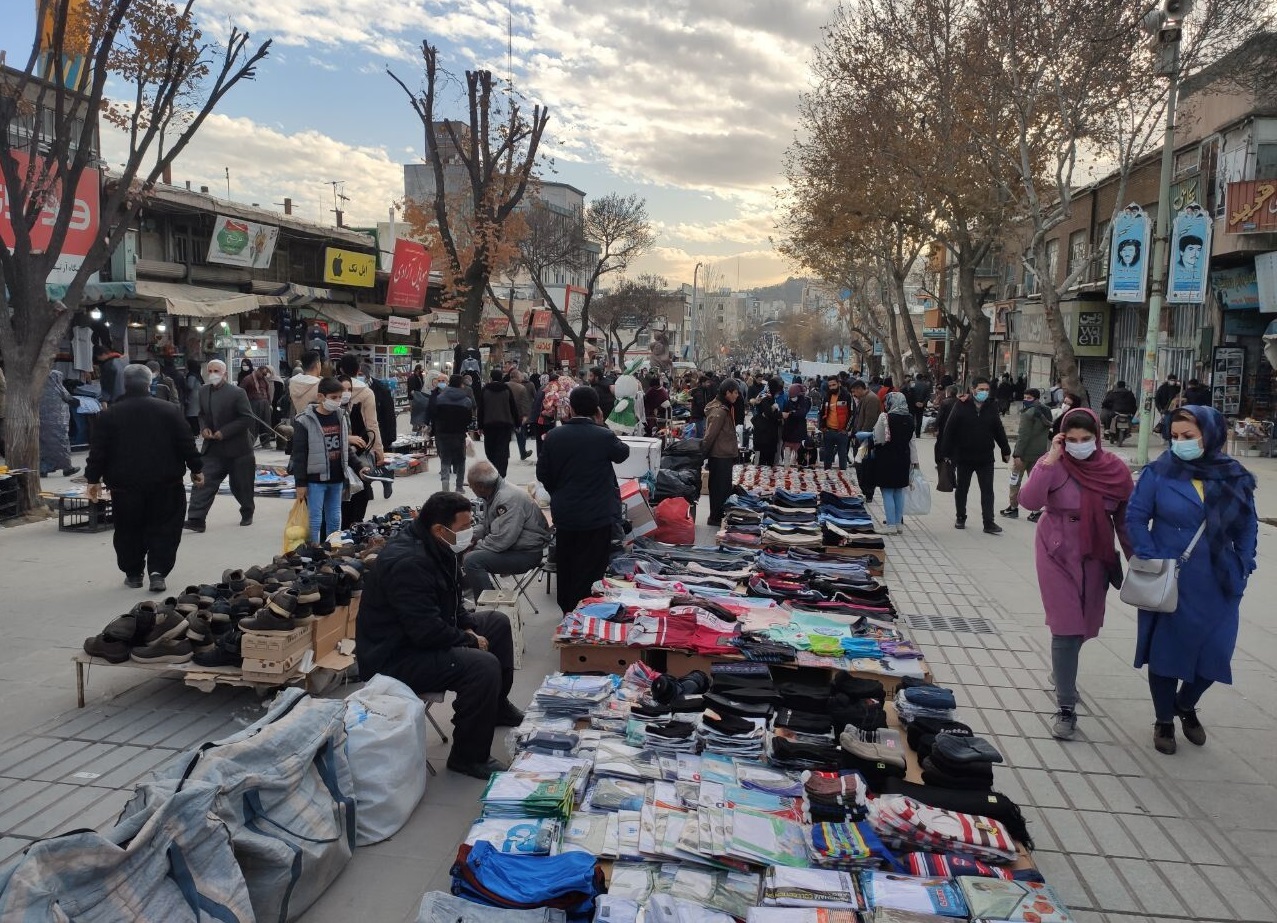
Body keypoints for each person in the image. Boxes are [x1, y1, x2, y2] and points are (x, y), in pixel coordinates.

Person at [356, 491, 521, 779]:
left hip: (419, 636)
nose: (469, 534)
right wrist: (469, 640)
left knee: (495, 622)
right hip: (394, 657)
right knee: (482, 666)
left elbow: (452, 600)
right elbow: (425, 632)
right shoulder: (409, 563)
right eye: (463, 528)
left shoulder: (437, 547)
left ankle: (496, 708)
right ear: (438, 529)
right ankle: (468, 757)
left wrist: (467, 625)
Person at [1125, 405, 1258, 755]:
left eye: (1188, 436)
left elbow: (1247, 524)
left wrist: (1244, 562)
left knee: (1216, 653)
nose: (1180, 443)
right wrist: (1151, 555)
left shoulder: (1234, 475)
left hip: (1220, 580)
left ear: (1211, 435)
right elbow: (1136, 517)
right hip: (1173, 577)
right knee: (1167, 652)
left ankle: (1185, 704)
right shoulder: (1159, 472)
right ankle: (1164, 720)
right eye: (1175, 437)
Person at [1019, 408, 1133, 740]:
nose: (1079, 445)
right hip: (1056, 548)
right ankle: (1066, 707)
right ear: (1061, 438)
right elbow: (1029, 500)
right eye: (1072, 440)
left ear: (1097, 437)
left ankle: (1062, 670)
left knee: (1083, 625)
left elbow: (1125, 520)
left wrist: (1138, 560)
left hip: (1095, 553)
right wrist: (1051, 458)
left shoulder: (1114, 470)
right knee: (1066, 626)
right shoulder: (1055, 464)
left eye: (1086, 439)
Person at [85, 365, 203, 591]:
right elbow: (186, 443)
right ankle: (158, 572)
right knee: (166, 527)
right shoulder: (169, 410)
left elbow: (98, 450)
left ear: (125, 384)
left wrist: (93, 479)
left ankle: (134, 573)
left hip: (124, 486)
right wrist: (196, 468)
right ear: (150, 384)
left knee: (128, 528)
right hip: (166, 484)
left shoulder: (110, 414)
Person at [536, 386, 630, 613]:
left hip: (566, 513)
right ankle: (585, 609)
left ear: (570, 408)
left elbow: (543, 474)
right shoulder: (603, 435)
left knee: (567, 562)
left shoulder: (554, 436)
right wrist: (602, 424)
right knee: (593, 565)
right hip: (597, 515)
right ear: (597, 410)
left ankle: (567, 608)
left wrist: (560, 492)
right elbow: (623, 453)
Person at [292, 376, 368, 545]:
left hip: (337, 478)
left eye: (339, 397)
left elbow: (346, 448)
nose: (338, 401)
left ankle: (332, 549)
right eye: (334, 398)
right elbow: (299, 454)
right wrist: (301, 483)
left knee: (335, 518)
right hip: (315, 480)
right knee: (315, 519)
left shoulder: (340, 416)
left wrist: (359, 466)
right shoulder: (305, 420)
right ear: (320, 397)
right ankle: (314, 549)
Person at [184, 359, 255, 533]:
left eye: (217, 371)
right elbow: (201, 415)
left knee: (241, 485)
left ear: (225, 374)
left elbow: (246, 418)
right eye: (210, 371)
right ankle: (196, 519)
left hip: (238, 449)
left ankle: (247, 511)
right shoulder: (203, 391)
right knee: (203, 481)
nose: (213, 374)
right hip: (213, 448)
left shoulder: (237, 393)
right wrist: (204, 428)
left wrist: (224, 432)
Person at [462, 461, 553, 597]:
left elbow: (502, 540)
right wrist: (468, 536)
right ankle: (472, 593)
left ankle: (487, 607)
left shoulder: (507, 498)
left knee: (472, 560)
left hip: (527, 554)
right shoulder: (493, 492)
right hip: (514, 548)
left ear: (480, 487)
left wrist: (474, 547)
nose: (471, 489)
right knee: (459, 549)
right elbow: (486, 524)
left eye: (471, 486)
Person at [939, 377, 1011, 534]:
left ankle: (989, 522)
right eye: (981, 390)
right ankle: (960, 517)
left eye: (986, 390)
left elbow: (998, 429)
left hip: (985, 457)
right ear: (973, 389)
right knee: (962, 489)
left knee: (987, 490)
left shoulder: (991, 406)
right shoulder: (961, 405)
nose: (984, 392)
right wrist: (945, 453)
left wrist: (1005, 449)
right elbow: (949, 429)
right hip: (964, 457)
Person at [1001, 388, 1053, 521]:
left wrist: (1017, 454)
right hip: (1040, 453)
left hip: (1023, 454)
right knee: (1035, 483)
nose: (1025, 400)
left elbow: (1023, 436)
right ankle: (1036, 511)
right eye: (1024, 397)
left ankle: (1013, 508)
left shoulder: (1028, 414)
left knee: (1015, 480)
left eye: (1028, 398)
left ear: (1035, 398)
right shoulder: (1046, 411)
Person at [872, 392, 918, 534]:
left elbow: (878, 438)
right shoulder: (910, 419)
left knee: (887, 491)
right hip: (904, 458)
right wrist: (915, 462)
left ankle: (890, 525)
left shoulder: (885, 417)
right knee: (899, 491)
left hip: (887, 457)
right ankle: (898, 524)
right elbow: (912, 442)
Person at [703, 379, 741, 527]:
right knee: (719, 489)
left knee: (723, 488)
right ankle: (715, 517)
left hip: (723, 454)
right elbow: (710, 435)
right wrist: (703, 454)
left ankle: (718, 516)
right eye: (735, 393)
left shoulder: (725, 407)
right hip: (720, 456)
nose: (737, 396)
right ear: (727, 393)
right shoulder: (720, 411)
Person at [433, 374, 475, 493]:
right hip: (459, 433)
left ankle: (445, 481)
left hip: (443, 433)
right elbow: (469, 419)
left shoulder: (440, 398)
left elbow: (435, 414)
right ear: (461, 384)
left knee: (445, 459)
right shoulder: (466, 400)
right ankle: (459, 486)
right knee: (461, 460)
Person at [477, 369, 522, 478]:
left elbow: (481, 409)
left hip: (489, 424)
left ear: (491, 378)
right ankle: (501, 474)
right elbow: (513, 407)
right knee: (503, 450)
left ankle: (493, 469)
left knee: (490, 449)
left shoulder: (485, 390)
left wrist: (480, 426)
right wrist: (517, 423)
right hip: (505, 425)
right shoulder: (506, 389)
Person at [38, 370, 80, 477]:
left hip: (42, 424)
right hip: (58, 424)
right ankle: (67, 468)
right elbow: (71, 400)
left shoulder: (38, 390)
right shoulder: (58, 388)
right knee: (62, 445)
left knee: (44, 446)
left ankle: (44, 468)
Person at [850, 379, 881, 500]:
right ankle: (864, 489)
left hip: (866, 440)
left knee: (865, 466)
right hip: (861, 438)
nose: (854, 394)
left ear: (859, 388)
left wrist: (861, 437)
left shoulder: (871, 399)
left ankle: (868, 491)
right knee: (860, 465)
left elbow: (869, 421)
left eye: (854, 391)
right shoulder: (864, 398)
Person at [817, 375, 854, 471]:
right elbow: (821, 412)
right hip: (828, 431)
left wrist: (846, 429)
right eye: (830, 385)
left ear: (839, 384)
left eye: (834, 385)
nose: (832, 387)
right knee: (827, 456)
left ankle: (843, 477)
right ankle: (827, 475)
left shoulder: (847, 396)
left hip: (841, 432)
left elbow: (852, 414)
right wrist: (822, 426)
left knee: (842, 456)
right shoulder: (827, 396)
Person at [363, 363, 398, 451]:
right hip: (361, 437)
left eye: (361, 375)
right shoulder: (352, 389)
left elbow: (389, 415)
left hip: (380, 435)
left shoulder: (381, 389)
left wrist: (390, 438)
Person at [751, 377, 782, 466]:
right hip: (764, 435)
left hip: (768, 436)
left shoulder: (769, 397)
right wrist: (780, 415)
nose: (777, 393)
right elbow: (768, 414)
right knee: (762, 463)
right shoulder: (764, 398)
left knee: (768, 461)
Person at [241, 363, 274, 448]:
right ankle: (250, 442)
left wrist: (269, 404)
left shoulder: (264, 380)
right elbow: (241, 392)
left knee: (266, 423)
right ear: (258, 371)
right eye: (262, 373)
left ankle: (266, 442)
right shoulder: (248, 379)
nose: (264, 375)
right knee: (253, 424)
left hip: (265, 403)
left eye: (265, 374)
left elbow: (267, 393)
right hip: (253, 403)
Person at [507, 370, 534, 461]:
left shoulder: (504, 386)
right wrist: (526, 415)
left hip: (506, 414)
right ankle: (522, 453)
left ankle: (506, 453)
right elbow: (524, 403)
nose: (522, 378)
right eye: (521, 376)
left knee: (506, 435)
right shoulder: (521, 388)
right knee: (521, 435)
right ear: (516, 377)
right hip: (518, 415)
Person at [289, 350, 324, 415]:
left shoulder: (293, 382)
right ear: (318, 364)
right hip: (317, 422)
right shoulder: (320, 384)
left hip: (299, 420)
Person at [1154, 374, 1181, 445]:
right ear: (1168, 380)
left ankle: (1167, 437)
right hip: (1165, 409)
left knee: (1170, 423)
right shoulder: (1162, 388)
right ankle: (1167, 438)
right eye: (1171, 380)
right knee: (1167, 423)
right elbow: (1157, 399)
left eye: (1174, 380)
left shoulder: (1177, 388)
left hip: (1175, 409)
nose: (1173, 382)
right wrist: (1160, 409)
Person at [183, 363, 203, 437]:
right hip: (197, 396)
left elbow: (190, 386)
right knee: (195, 415)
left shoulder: (191, 375)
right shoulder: (197, 375)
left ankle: (195, 432)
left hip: (192, 397)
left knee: (191, 415)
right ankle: (197, 432)